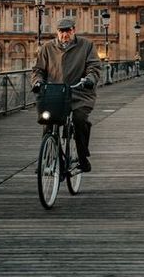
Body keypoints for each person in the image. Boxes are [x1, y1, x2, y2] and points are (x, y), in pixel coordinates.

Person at [31, 17, 101, 173]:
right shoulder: (47, 48)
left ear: (74, 30)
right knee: (47, 123)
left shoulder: (87, 45)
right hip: (55, 94)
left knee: (79, 119)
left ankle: (82, 156)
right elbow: (38, 70)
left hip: (79, 92)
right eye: (62, 31)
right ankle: (46, 160)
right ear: (57, 32)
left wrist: (90, 79)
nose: (65, 34)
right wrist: (37, 82)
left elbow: (94, 67)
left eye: (68, 30)